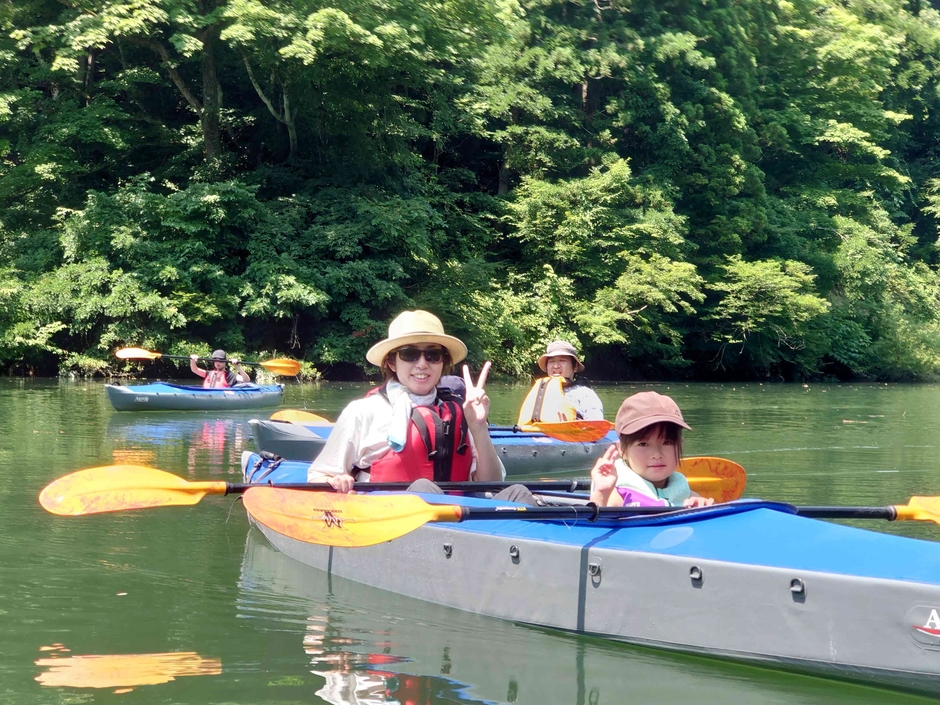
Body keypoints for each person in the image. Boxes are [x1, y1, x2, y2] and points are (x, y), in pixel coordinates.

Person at [308, 310, 535, 505]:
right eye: (409, 354)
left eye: (433, 355)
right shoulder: (363, 412)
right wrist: (336, 481)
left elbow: (491, 485)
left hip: (461, 521)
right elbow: (318, 475)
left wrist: (478, 428)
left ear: (443, 362)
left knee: (519, 494)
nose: (422, 363)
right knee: (424, 489)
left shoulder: (462, 411)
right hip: (392, 521)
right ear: (391, 362)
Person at [590, 391, 714, 508]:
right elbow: (595, 526)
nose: (657, 454)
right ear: (622, 449)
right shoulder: (615, 494)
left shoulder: (685, 494)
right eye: (643, 444)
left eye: (667, 442)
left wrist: (701, 506)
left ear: (680, 444)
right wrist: (601, 494)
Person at [517, 340, 604, 427]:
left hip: (571, 438)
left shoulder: (585, 394)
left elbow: (597, 427)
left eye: (562, 361)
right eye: (551, 361)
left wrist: (571, 428)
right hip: (535, 436)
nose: (556, 366)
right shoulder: (540, 392)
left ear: (575, 367)